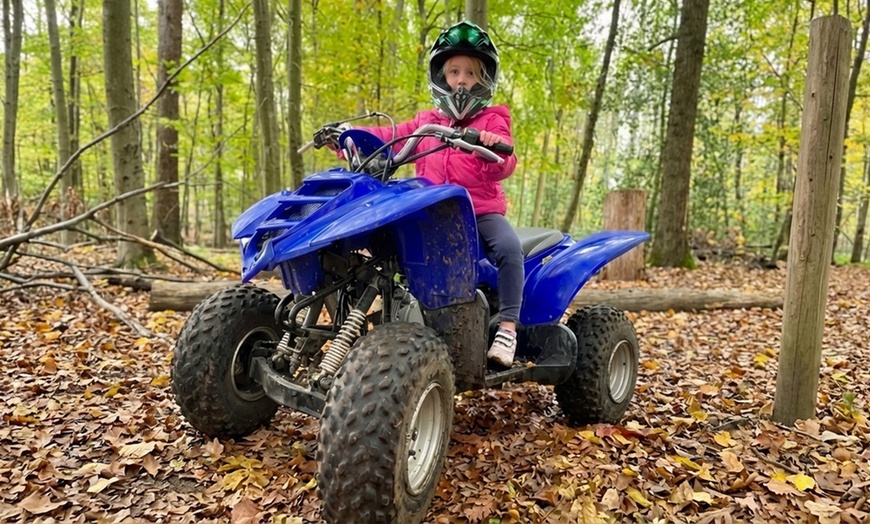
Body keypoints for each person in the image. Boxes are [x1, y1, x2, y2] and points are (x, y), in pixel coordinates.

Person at [362, 20, 523, 367]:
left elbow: (507, 163)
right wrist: (349, 135)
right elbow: (388, 137)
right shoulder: (426, 122)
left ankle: (508, 327)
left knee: (510, 249)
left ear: (484, 79)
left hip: (479, 210)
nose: (462, 79)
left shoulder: (493, 120)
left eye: (471, 72)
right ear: (442, 76)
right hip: (431, 212)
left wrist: (493, 146)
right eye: (454, 71)